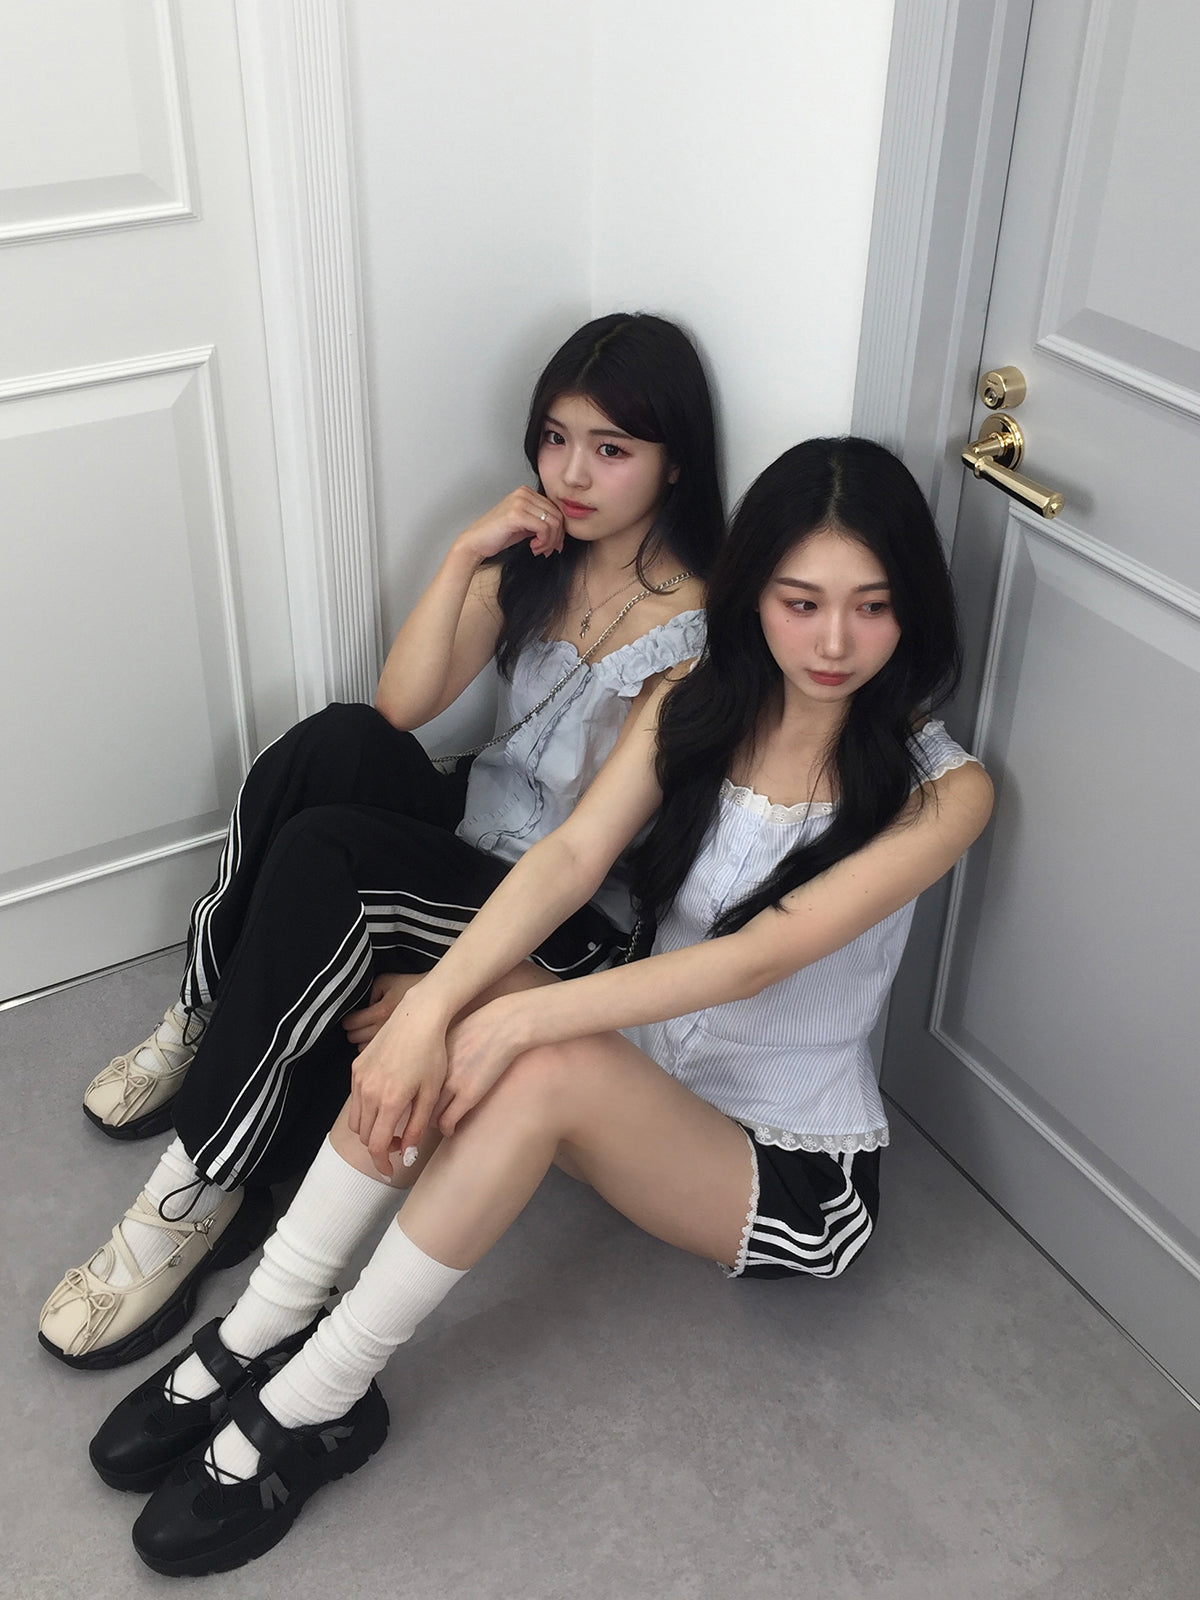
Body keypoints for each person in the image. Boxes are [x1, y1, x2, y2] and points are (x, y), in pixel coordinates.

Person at [90, 434, 994, 1576]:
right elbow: (569, 859)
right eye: (800, 600)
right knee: (440, 1018)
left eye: (872, 607)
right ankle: (258, 1325)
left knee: (526, 1045)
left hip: (781, 1165)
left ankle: (321, 1395)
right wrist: (442, 1007)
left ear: (914, 607)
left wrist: (508, 1012)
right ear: (754, 591)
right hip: (640, 1063)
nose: (832, 642)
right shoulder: (698, 700)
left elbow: (752, 962)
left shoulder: (943, 792)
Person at [40, 312, 721, 1371]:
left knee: (329, 857)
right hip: (476, 826)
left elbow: (581, 854)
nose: (573, 472)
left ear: (676, 462)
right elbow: (402, 705)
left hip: (565, 904)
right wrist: (465, 553)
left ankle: (197, 1191)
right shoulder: (544, 560)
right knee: (337, 742)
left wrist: (453, 990)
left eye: (612, 448)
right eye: (555, 438)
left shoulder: (695, 637)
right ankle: (202, 1018)